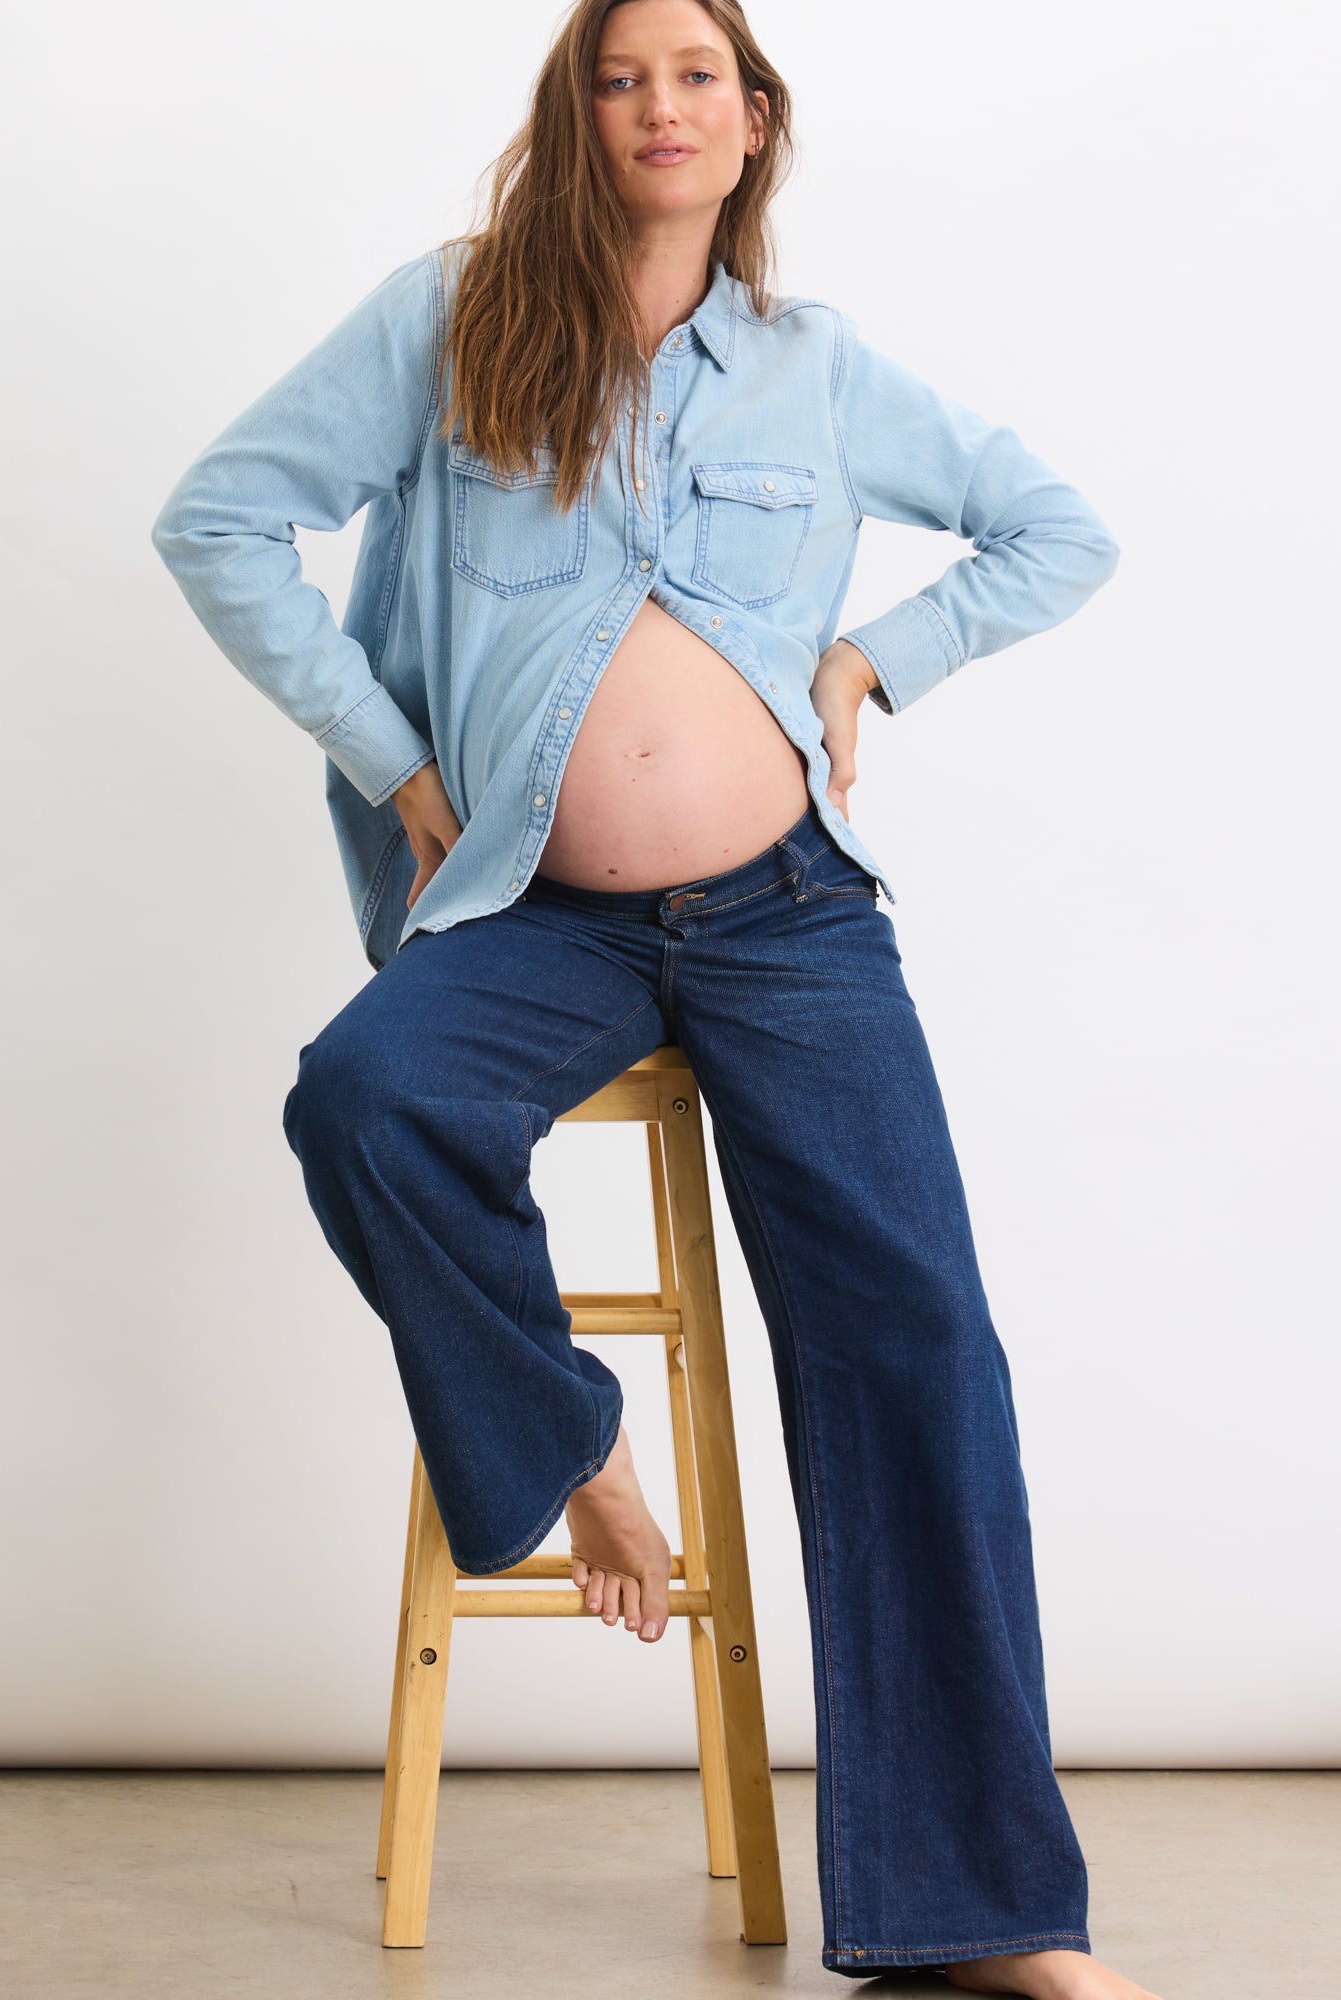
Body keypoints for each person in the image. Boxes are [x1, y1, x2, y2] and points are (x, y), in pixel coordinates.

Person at [150, 3, 1154, 1993]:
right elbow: (219, 519)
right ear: (579, 116)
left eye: (696, 73)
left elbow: (1062, 530)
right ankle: (574, 1446)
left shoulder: (816, 366)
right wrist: (399, 763)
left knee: (918, 1351)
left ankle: (984, 1916)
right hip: (539, 910)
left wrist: (876, 663)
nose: (657, 106)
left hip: (788, 916)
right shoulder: (457, 322)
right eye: (620, 78)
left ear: (755, 117)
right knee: (366, 1097)